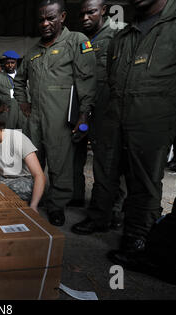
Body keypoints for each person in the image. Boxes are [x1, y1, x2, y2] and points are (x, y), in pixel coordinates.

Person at [84, 0, 176, 264]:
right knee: (106, 169)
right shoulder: (123, 35)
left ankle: (138, 239)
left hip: (156, 115)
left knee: (144, 179)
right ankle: (102, 219)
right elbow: (112, 76)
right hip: (117, 114)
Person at [14, 0, 96, 226]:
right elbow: (19, 81)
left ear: (62, 17)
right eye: (41, 20)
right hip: (36, 118)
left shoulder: (76, 41)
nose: (45, 23)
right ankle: (37, 198)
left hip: (60, 118)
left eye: (50, 18)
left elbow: (86, 79)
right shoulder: (33, 52)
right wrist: (24, 104)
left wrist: (84, 114)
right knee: (34, 162)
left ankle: (57, 205)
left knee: (60, 163)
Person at [71, 0, 127, 233]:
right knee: (90, 159)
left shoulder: (117, 34)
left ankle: (107, 213)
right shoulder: (84, 42)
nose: (85, 17)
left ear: (103, 10)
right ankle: (100, 207)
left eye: (91, 12)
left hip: (107, 109)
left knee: (108, 162)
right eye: (82, 13)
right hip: (86, 108)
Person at [0, 109, 45, 213]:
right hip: (3, 178)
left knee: (14, 190)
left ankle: (35, 199)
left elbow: (39, 175)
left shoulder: (18, 138)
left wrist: (34, 206)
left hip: (23, 179)